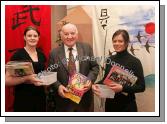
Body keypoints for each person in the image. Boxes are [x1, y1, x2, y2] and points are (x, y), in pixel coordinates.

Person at [48, 23, 99, 112]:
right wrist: (59, 86)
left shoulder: (87, 48)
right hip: (63, 99)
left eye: (72, 33)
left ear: (77, 34)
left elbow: (94, 67)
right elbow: (51, 74)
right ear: (61, 35)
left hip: (84, 98)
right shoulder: (54, 53)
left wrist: (89, 81)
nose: (69, 36)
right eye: (66, 34)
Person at [93, 29, 145, 112]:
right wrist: (95, 85)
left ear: (127, 42)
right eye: (114, 41)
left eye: (120, 41)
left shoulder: (135, 61)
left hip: (127, 106)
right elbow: (105, 80)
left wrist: (122, 88)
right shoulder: (109, 60)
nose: (116, 43)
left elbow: (141, 87)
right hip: (110, 105)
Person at [5, 26, 47, 112]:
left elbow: (42, 74)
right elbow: (6, 81)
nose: (32, 38)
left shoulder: (42, 55)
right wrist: (26, 78)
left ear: (38, 38)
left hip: (40, 97)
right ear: (24, 37)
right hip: (23, 99)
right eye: (29, 35)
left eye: (35, 36)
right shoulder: (17, 55)